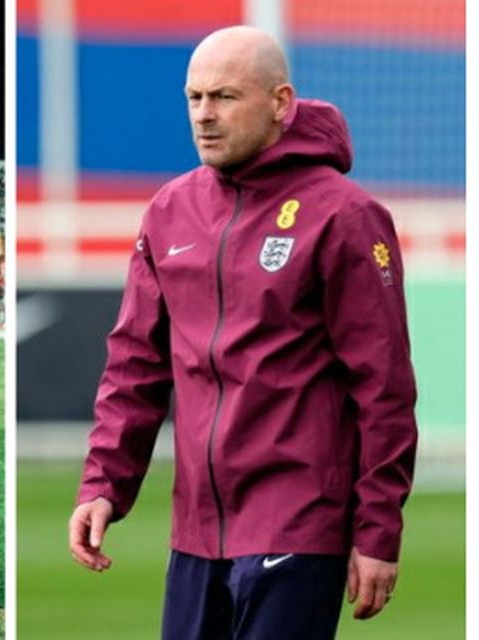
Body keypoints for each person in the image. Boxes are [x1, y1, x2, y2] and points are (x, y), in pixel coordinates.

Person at [68, 25, 417, 640]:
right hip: (196, 530)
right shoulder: (169, 210)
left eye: (225, 97)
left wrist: (378, 530)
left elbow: (383, 388)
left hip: (299, 525)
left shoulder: (345, 216)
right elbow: (135, 367)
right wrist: (104, 483)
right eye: (194, 97)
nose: (204, 115)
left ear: (281, 103)